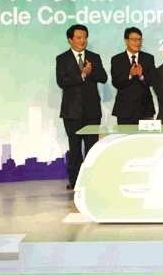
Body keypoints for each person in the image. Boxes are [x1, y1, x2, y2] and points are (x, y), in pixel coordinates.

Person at [56, 24, 107, 190]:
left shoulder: (94, 57)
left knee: (92, 147)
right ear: (70, 40)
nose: (82, 40)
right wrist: (82, 75)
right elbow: (62, 82)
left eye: (84, 37)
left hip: (92, 111)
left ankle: (92, 181)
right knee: (75, 147)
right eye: (78, 37)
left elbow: (103, 77)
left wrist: (91, 72)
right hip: (72, 111)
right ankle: (76, 181)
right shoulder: (62, 59)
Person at [110, 27, 155, 124]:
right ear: (126, 41)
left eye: (139, 39)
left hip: (145, 108)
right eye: (134, 39)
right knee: (124, 134)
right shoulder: (117, 59)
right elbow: (116, 82)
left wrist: (141, 76)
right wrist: (130, 75)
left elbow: (153, 80)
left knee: (146, 135)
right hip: (124, 109)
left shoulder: (149, 58)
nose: (137, 42)